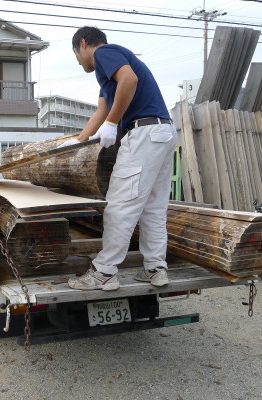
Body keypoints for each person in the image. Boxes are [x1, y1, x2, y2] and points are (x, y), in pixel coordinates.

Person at [62, 26, 177, 291]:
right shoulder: (108, 75)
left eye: (76, 55)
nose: (78, 61)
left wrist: (114, 123)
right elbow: (102, 109)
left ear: (83, 44)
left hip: (144, 134)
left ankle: (104, 271)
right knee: (153, 209)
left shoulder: (105, 53)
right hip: (162, 131)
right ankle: (155, 268)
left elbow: (130, 81)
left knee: (119, 206)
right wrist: (79, 141)